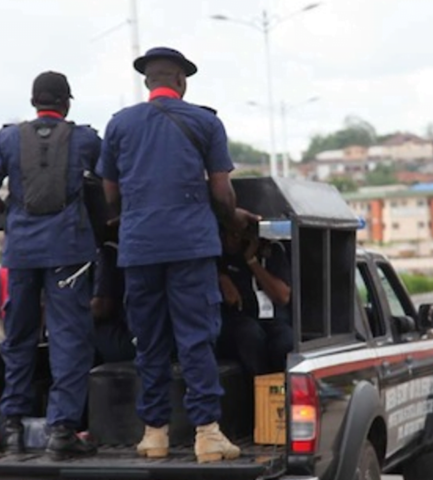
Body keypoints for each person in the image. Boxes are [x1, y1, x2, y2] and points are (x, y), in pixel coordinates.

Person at [97, 46, 258, 463]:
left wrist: (127, 219)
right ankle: (207, 434)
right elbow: (222, 192)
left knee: (148, 341)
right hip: (190, 246)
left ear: (148, 82)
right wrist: (233, 221)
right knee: (195, 338)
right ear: (182, 82)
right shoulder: (205, 122)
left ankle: (154, 435)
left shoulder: (119, 125)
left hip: (138, 248)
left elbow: (109, 192)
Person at [0, 71, 100, 459]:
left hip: (21, 252)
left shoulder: (6, 137)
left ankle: (12, 426)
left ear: (34, 102)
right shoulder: (85, 139)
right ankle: (62, 430)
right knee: (69, 339)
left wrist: (10, 214)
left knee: (18, 336)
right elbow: (110, 182)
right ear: (66, 103)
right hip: (68, 251)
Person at [217, 230, 293, 378]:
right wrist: (221, 278)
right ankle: (261, 391)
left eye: (239, 234)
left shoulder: (272, 250)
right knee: (249, 334)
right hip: (240, 319)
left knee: (286, 342)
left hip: (273, 320)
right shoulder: (219, 256)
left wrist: (252, 261)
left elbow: (282, 296)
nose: (235, 239)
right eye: (231, 233)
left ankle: (282, 393)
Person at [91, 241, 135, 366]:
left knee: (75, 328)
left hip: (124, 340)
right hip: (153, 338)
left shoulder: (108, 252)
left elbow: (102, 307)